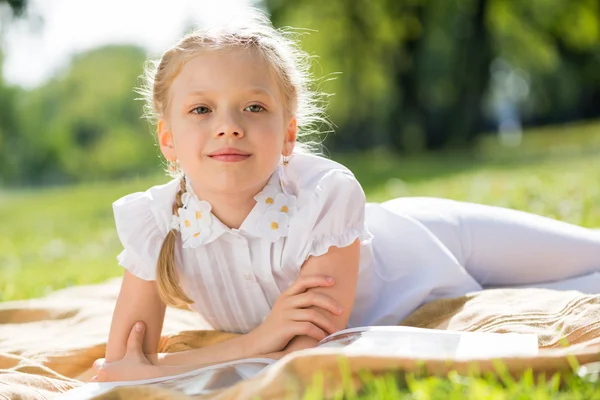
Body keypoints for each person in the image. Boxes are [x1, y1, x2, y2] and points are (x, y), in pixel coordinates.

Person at [92, 10, 600, 382]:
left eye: (252, 107)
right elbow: (121, 366)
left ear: (288, 135)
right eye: (201, 110)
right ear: (167, 139)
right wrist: (253, 342)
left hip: (437, 238)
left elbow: (304, 345)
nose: (228, 127)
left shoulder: (324, 194)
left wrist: (205, 356)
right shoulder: (157, 223)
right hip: (425, 302)